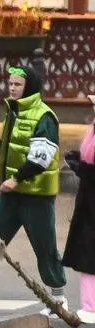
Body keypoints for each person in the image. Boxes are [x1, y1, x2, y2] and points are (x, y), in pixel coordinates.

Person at [0, 61, 66, 309]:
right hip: (12, 193)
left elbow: (41, 157)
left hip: (36, 195)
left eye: (17, 84)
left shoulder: (44, 116)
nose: (11, 88)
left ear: (29, 87)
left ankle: (58, 297)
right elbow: (17, 148)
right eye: (10, 84)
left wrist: (16, 179)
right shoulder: (14, 111)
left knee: (44, 245)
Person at [63, 119, 95, 317]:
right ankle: (89, 305)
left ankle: (90, 307)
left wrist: (81, 168)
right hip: (88, 206)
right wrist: (79, 161)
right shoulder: (91, 132)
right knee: (87, 256)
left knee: (89, 257)